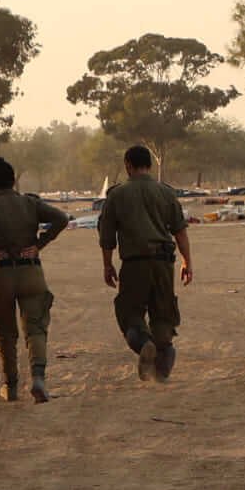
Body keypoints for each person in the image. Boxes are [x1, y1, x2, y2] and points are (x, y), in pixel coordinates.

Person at [0, 155, 71, 402]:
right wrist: (40, 243)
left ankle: (11, 386)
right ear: (13, 179)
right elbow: (61, 219)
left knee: (5, 333)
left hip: (1, 273)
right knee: (36, 328)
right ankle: (38, 377)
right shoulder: (29, 203)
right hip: (31, 271)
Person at [98, 143, 191, 380]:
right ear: (149, 165)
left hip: (134, 264)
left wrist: (107, 265)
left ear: (128, 165)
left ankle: (143, 344)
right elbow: (180, 231)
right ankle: (161, 370)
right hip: (163, 263)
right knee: (164, 316)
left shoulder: (116, 195)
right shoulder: (166, 192)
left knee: (130, 314)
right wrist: (186, 261)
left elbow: (107, 237)